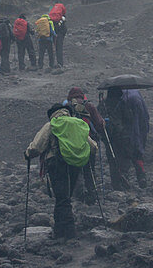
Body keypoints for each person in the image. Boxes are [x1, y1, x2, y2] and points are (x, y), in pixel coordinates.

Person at [24, 103, 98, 240]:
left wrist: (27, 154)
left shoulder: (52, 124)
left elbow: (37, 147)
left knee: (62, 198)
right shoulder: (77, 123)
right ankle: (59, 230)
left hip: (56, 164)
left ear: (52, 113)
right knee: (65, 197)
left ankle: (69, 232)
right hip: (75, 165)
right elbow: (93, 146)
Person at [100, 87, 150, 189]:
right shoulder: (122, 103)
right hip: (122, 135)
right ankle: (130, 176)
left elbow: (98, 118)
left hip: (109, 137)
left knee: (112, 160)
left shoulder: (103, 104)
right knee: (126, 157)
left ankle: (116, 184)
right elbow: (129, 118)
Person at [66, 87, 106, 203]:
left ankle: (76, 194)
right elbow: (99, 124)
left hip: (72, 144)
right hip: (88, 142)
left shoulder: (67, 108)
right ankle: (92, 194)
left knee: (74, 169)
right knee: (89, 169)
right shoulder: (89, 106)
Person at [49, 2, 67, 67]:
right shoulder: (61, 17)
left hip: (53, 32)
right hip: (60, 32)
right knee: (59, 47)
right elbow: (64, 26)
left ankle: (52, 64)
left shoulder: (52, 14)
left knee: (54, 47)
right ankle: (60, 63)